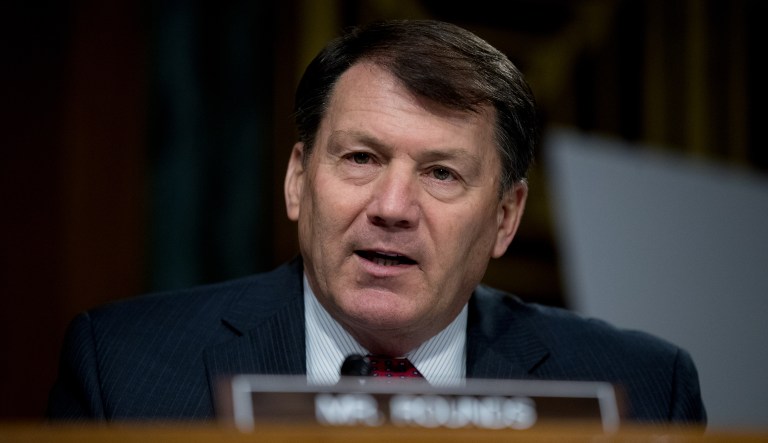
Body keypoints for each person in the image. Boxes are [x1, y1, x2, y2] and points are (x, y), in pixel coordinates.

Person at [47, 19, 706, 423]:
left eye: (441, 173)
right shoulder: (124, 369)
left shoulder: (642, 388)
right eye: (361, 158)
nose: (392, 208)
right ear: (297, 179)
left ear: (506, 217)